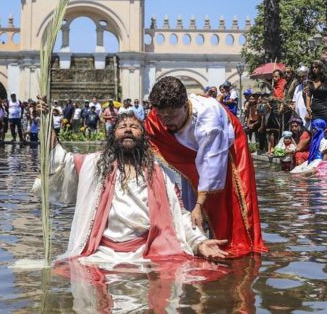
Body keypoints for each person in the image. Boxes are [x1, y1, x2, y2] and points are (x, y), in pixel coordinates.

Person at [32, 112, 229, 265]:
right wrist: (46, 119)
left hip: (147, 254)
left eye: (134, 127)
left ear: (142, 136)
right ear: (113, 134)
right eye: (122, 126)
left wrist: (200, 242)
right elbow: (57, 160)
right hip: (100, 255)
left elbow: (178, 214)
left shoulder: (159, 172)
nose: (128, 130)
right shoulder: (93, 164)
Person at [145, 76, 267, 256]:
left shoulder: (209, 121)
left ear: (185, 105)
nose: (165, 121)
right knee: (190, 194)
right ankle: (193, 236)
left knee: (222, 200)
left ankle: (226, 243)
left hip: (225, 147)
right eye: (162, 116)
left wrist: (199, 206)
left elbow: (212, 166)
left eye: (171, 116)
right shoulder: (160, 113)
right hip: (190, 147)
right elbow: (147, 132)